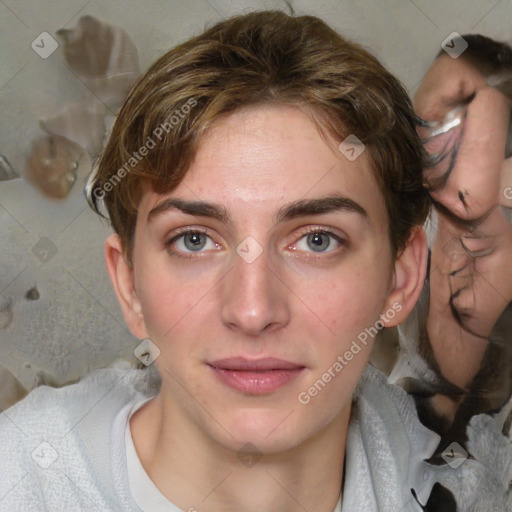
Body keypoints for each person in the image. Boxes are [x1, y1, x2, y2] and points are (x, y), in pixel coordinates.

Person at [0, 10, 504, 512]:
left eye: (317, 241)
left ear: (401, 278)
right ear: (129, 283)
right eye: (194, 240)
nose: (252, 310)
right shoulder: (19, 479)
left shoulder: (466, 493)